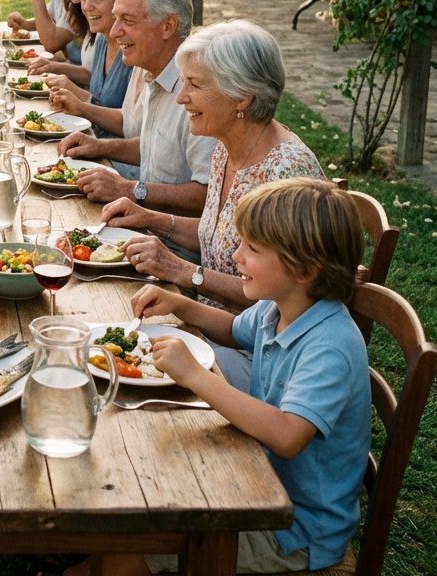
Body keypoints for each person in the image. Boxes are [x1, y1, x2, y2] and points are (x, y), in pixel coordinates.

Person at [90, 177, 369, 576]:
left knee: (127, 554)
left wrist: (198, 378)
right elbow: (235, 329)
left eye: (252, 248)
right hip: (257, 477)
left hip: (294, 527)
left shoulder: (330, 346)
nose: (236, 256)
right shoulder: (282, 306)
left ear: (305, 270)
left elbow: (289, 436)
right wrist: (180, 304)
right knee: (135, 494)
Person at [99, 19, 325, 387]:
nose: (180, 96)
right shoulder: (228, 146)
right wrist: (148, 217)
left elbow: (284, 295)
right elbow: (216, 234)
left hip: (265, 357)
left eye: (196, 85)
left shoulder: (285, 175)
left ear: (242, 97)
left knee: (115, 371)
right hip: (214, 326)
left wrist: (182, 272)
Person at [57, 0, 216, 220]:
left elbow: (209, 195)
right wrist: (99, 146)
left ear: (167, 26)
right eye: (116, 18)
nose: (115, 31)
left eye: (127, 20)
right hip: (142, 224)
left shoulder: (199, 91)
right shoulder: (152, 68)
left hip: (172, 244)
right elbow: (159, 149)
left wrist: (130, 189)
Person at [44, 0, 134, 139]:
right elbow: (98, 101)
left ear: (120, 1)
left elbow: (131, 125)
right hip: (90, 137)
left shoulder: (134, 50)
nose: (86, 7)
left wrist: (77, 95)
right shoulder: (101, 38)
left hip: (114, 156)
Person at [27, 0, 108, 83]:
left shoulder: (102, 18)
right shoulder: (83, 13)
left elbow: (51, 43)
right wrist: (51, 67)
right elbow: (90, 72)